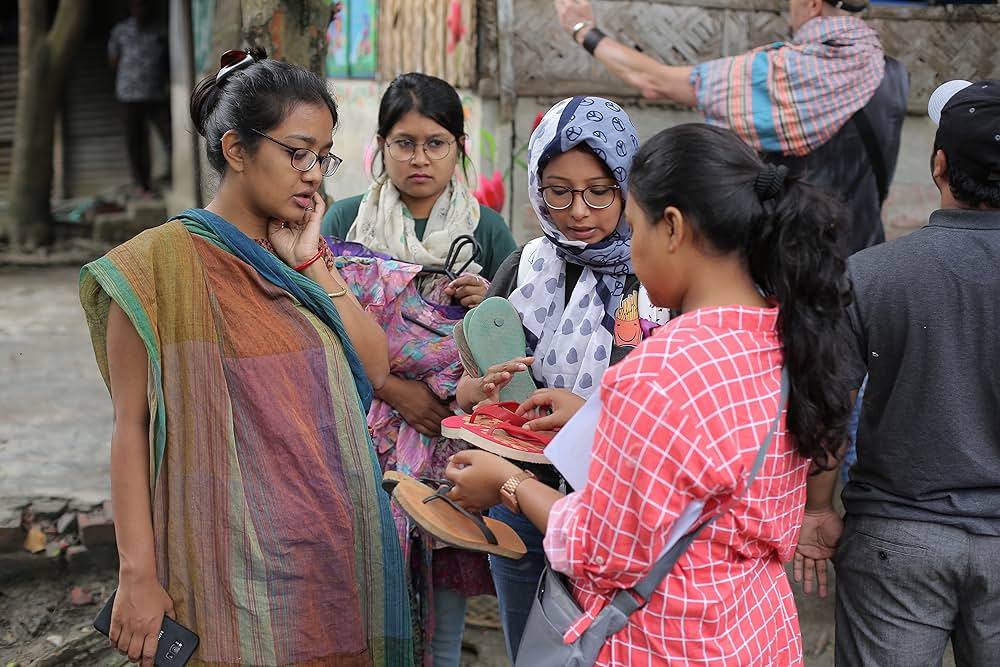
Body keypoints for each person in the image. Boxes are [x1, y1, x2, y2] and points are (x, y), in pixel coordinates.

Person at [445, 122, 854, 665]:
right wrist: (597, 416)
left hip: (664, 636)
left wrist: (509, 483)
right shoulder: (786, 336)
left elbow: (602, 549)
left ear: (674, 229)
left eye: (633, 226)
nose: (631, 250)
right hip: (756, 628)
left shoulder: (659, 370)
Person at [79, 48, 412, 667]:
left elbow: (372, 370)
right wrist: (137, 576)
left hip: (330, 556)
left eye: (323, 156)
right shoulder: (155, 268)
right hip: (217, 563)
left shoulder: (305, 261)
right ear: (235, 149)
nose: (313, 173)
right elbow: (131, 426)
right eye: (296, 152)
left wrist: (315, 264)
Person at [453, 96, 669, 661]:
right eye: (559, 190)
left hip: (608, 510)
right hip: (513, 496)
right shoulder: (523, 265)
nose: (579, 210)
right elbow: (467, 386)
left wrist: (587, 413)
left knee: (600, 649)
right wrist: (481, 391)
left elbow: (670, 410)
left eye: (600, 190)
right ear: (536, 186)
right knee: (529, 647)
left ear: (628, 184)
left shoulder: (657, 280)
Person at [796, 80, 1000, 666]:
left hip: (895, 541)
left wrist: (818, 509)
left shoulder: (871, 275)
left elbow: (829, 405)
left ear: (939, 165)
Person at [321, 72, 516, 667]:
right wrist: (392, 388)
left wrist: (487, 302)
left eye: (436, 142)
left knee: (443, 609)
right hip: (362, 433)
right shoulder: (345, 225)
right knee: (365, 592)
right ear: (380, 145)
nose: (419, 158)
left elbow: (511, 340)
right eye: (404, 142)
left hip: (452, 439)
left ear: (459, 146)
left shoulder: (485, 230)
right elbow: (323, 335)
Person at [553, 0, 908, 256]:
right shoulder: (893, 73)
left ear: (813, 4)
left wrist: (582, 29)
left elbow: (655, 81)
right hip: (868, 257)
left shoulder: (787, 73)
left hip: (796, 264)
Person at [108, 0, 172, 196]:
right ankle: (141, 184)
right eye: (136, 6)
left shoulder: (159, 31)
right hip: (129, 94)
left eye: (143, 5)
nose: (140, 10)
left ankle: (172, 174)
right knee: (135, 141)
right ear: (131, 9)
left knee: (169, 134)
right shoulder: (121, 31)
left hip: (155, 94)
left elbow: (167, 60)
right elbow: (113, 59)